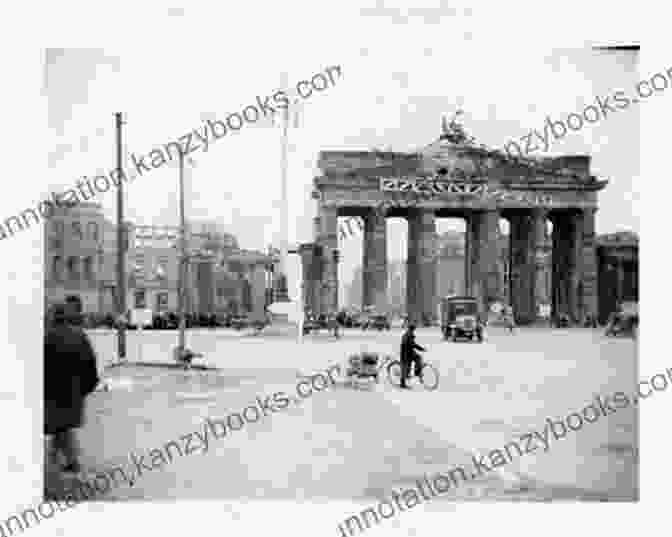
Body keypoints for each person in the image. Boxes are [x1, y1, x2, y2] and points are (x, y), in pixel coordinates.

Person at [44, 303, 100, 476]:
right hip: (75, 391)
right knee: (61, 426)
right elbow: (91, 364)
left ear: (52, 317)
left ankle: (71, 462)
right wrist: (88, 387)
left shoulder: (46, 337)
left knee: (59, 426)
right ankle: (57, 458)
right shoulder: (80, 335)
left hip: (52, 392)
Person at [399, 323, 426, 389]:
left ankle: (417, 371)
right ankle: (402, 383)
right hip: (405, 353)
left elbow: (412, 344)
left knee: (418, 358)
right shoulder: (407, 335)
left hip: (409, 352)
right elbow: (412, 344)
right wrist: (421, 348)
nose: (413, 330)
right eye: (413, 329)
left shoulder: (409, 334)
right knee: (406, 368)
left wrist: (420, 348)